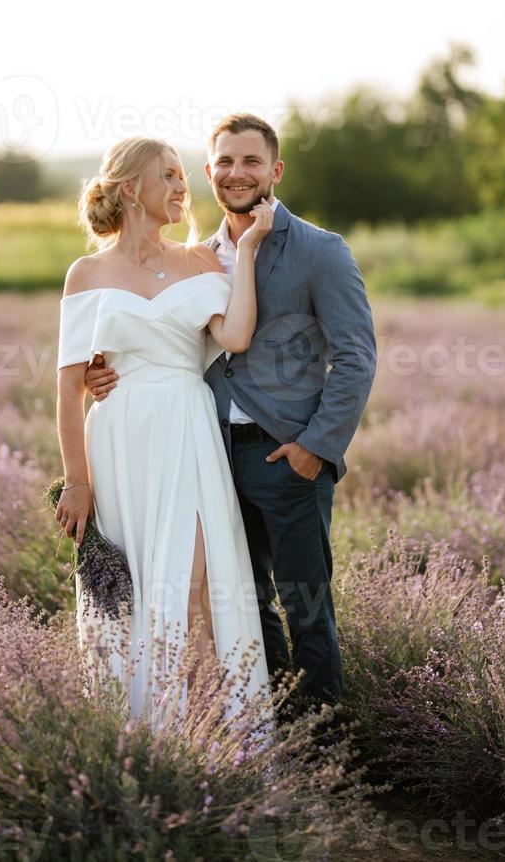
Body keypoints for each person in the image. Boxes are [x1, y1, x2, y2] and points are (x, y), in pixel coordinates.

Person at [86, 114, 378, 719]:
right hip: (207, 456)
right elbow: (162, 334)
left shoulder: (321, 251)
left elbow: (356, 358)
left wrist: (314, 449)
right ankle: (269, 726)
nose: (236, 173)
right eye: (224, 162)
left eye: (251, 162)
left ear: (275, 170)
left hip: (288, 458)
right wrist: (101, 369)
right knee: (241, 603)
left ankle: (323, 741)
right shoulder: (197, 256)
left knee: (307, 608)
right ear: (210, 171)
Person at [55, 136, 275, 730]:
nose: (184, 187)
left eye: (183, 176)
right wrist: (78, 482)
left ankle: (200, 733)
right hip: (119, 441)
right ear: (132, 188)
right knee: (127, 596)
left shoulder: (199, 260)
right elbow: (70, 388)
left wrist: (248, 251)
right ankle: (134, 736)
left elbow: (234, 338)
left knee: (195, 585)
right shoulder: (86, 273)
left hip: (188, 430)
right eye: (171, 176)